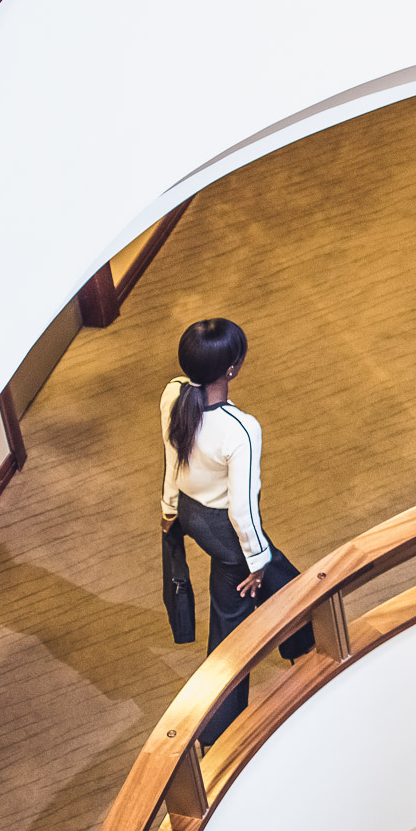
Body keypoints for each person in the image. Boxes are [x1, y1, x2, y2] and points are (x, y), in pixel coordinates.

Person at [158, 318, 311, 748]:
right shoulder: (240, 428)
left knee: (287, 581)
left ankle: (308, 640)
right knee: (231, 623)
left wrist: (169, 510)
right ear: (231, 370)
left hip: (191, 513)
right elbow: (243, 508)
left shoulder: (173, 393)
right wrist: (255, 564)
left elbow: (172, 458)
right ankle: (216, 730)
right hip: (226, 534)